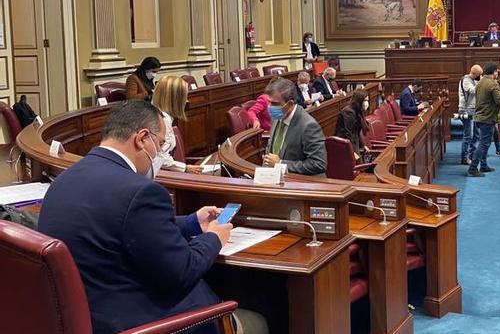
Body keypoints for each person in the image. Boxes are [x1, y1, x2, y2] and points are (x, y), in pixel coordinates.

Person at [37, 101, 234, 334]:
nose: (159, 154)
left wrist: (191, 222)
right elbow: (182, 271)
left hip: (80, 317)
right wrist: (214, 237)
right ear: (142, 138)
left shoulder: (63, 180)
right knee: (251, 319)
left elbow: (116, 226)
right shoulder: (141, 191)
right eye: (160, 145)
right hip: (134, 322)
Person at [262, 78, 327, 176]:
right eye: (269, 102)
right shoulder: (277, 116)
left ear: (290, 104)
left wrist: (280, 164)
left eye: (275, 103)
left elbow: (319, 164)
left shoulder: (308, 126)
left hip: (303, 185)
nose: (270, 107)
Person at [151, 76, 202, 174]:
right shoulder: (161, 120)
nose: (186, 101)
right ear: (175, 98)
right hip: (162, 176)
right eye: (184, 97)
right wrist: (185, 168)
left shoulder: (159, 113)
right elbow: (159, 158)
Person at [468, 63, 500, 177]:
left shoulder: (480, 82)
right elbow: (499, 101)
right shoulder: (493, 84)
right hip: (488, 117)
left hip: (479, 116)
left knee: (485, 142)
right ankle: (473, 168)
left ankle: (484, 165)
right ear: (494, 72)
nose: (497, 73)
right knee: (483, 143)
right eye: (497, 71)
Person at [334, 88, 369, 158]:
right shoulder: (348, 112)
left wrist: (363, 145)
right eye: (365, 100)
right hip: (344, 146)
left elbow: (356, 132)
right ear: (359, 100)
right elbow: (347, 133)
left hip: (352, 143)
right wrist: (352, 151)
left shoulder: (358, 111)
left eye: (367, 100)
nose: (366, 103)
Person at [458, 65, 482, 165]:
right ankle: (464, 158)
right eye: (479, 75)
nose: (480, 77)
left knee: (476, 134)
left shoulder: (474, 80)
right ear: (474, 74)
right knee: (469, 135)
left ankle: (472, 155)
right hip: (466, 110)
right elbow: (472, 91)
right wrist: (481, 83)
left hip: (474, 110)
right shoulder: (466, 80)